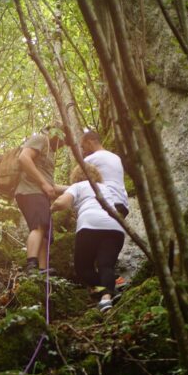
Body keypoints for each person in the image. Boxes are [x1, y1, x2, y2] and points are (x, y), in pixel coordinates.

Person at [51, 163, 125, 314]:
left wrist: (52, 207)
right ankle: (107, 296)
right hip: (115, 226)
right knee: (106, 265)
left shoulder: (78, 186)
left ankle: (107, 289)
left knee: (83, 269)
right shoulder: (105, 188)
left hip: (90, 226)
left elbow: (62, 203)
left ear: (76, 177)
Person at [15, 124, 66, 274]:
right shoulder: (41, 139)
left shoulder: (49, 152)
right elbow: (23, 158)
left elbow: (51, 186)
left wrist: (76, 188)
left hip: (40, 193)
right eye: (63, 139)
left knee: (45, 231)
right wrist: (43, 184)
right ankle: (31, 265)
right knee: (38, 226)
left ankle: (44, 269)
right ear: (56, 133)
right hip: (30, 191)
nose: (63, 144)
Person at [80, 128, 128, 217]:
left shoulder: (90, 160)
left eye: (83, 147)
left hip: (107, 202)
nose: (83, 151)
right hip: (122, 203)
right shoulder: (116, 158)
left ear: (89, 143)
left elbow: (78, 186)